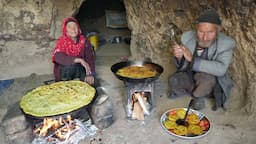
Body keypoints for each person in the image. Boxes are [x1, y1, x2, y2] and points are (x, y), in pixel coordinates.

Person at [169, 9, 236, 110]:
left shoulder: (225, 44)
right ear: (196, 29)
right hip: (191, 74)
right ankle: (197, 91)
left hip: (209, 78)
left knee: (206, 80)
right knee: (174, 80)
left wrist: (192, 59)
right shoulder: (188, 38)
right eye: (201, 31)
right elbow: (182, 65)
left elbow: (221, 69)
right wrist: (179, 57)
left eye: (210, 32)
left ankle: (198, 96)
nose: (205, 37)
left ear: (218, 30)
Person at [52, 17, 95, 85]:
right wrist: (80, 60)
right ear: (65, 30)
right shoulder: (62, 42)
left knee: (91, 83)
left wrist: (91, 74)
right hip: (65, 73)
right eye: (69, 27)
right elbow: (57, 57)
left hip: (79, 70)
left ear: (78, 29)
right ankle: (65, 86)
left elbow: (90, 59)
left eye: (75, 26)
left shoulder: (84, 41)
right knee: (69, 66)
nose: (73, 29)